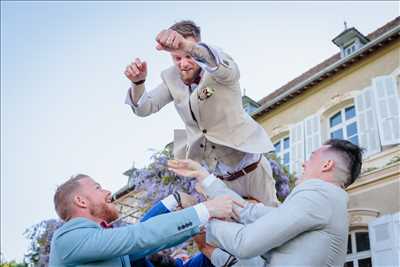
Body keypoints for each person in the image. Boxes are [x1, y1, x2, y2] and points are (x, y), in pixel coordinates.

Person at [124, 20, 278, 206]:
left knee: (272, 224)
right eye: (177, 58)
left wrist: (187, 46)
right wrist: (138, 83)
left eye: (188, 56)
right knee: (226, 232)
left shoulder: (216, 64)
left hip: (251, 170)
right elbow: (144, 108)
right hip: (217, 180)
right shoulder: (171, 78)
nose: (184, 64)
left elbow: (225, 68)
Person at [168, 139, 363, 266]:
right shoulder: (323, 202)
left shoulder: (318, 196)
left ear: (327, 165)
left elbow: (245, 243)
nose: (304, 163)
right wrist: (203, 176)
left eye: (311, 157)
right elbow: (248, 212)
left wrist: (202, 215)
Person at [48, 174, 237, 266]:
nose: (108, 192)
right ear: (80, 201)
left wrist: (173, 201)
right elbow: (138, 236)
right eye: (98, 188)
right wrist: (206, 209)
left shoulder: (98, 246)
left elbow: (138, 244)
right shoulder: (66, 240)